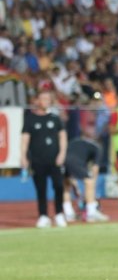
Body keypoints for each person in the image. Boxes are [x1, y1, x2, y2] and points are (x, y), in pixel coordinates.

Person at [20, 89, 68, 228]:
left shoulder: (55, 118)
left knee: (59, 186)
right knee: (41, 188)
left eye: (48, 99)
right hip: (37, 160)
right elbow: (25, 140)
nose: (45, 101)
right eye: (43, 98)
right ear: (37, 101)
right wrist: (23, 157)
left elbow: (63, 137)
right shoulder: (30, 119)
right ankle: (43, 215)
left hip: (55, 159)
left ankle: (59, 213)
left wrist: (62, 154)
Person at [62, 125, 110, 223]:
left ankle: (68, 213)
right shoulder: (97, 147)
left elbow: (69, 160)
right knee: (89, 182)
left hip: (62, 160)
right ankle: (91, 213)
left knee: (66, 185)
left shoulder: (74, 141)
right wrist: (92, 189)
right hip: (75, 162)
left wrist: (76, 186)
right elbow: (95, 169)